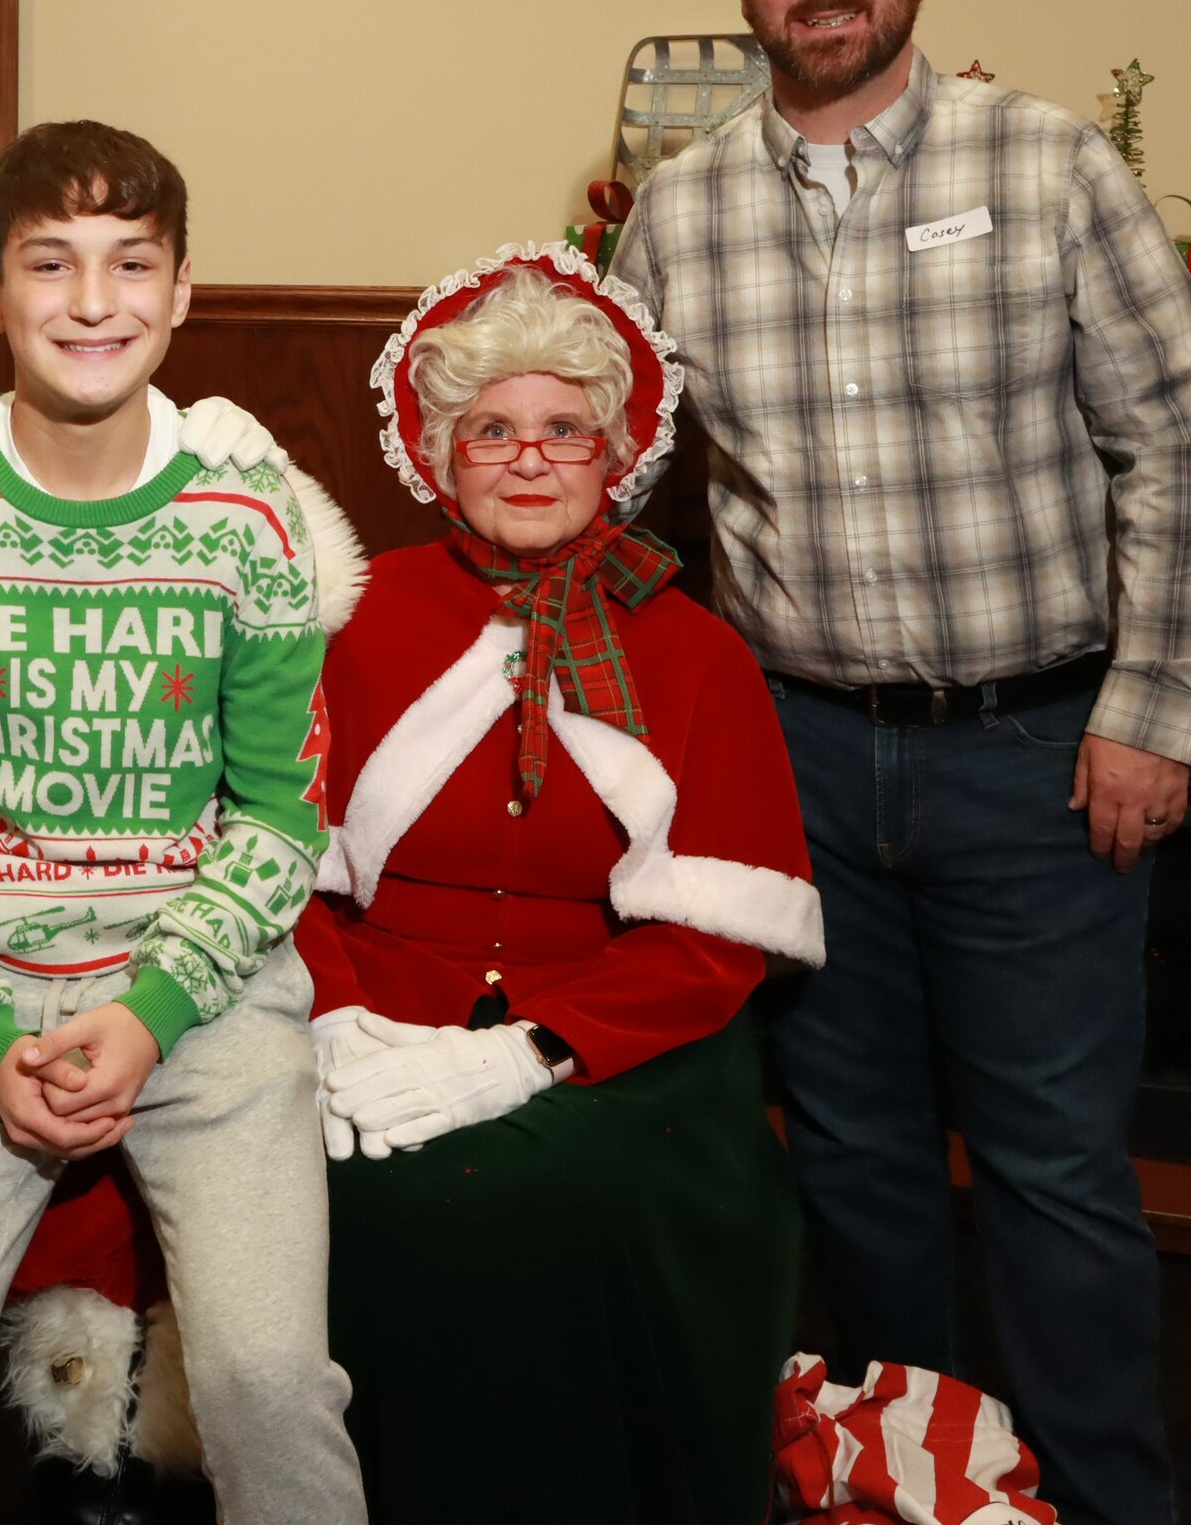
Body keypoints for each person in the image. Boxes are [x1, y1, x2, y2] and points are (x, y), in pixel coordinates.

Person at [610, 0, 1191, 1525]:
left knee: (1054, 1168)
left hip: (1036, 754)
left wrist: (1152, 714)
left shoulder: (1046, 162)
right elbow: (617, 473)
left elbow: (1175, 445)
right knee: (856, 1157)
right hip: (798, 762)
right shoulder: (679, 212)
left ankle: (1105, 1500)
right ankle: (912, 1482)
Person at [0, 121, 364, 1525]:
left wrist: (151, 1011)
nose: (91, 301)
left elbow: (282, 811)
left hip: (207, 992)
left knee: (267, 1382)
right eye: (50, 263)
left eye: (130, 264)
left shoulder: (249, 519)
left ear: (181, 291)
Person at [292, 248, 822, 1523]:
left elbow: (717, 940)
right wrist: (331, 1016)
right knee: (349, 1191)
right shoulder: (353, 616)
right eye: (493, 430)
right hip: (370, 1001)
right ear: (441, 454)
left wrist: (531, 1051)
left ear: (614, 455)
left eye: (565, 430)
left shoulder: (694, 649)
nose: (529, 460)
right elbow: (267, 862)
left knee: (559, 1194)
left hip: (618, 1031)